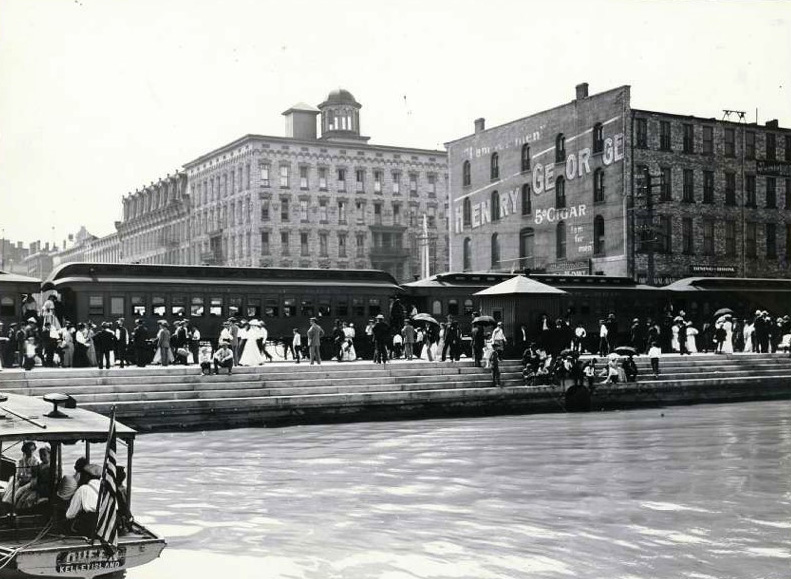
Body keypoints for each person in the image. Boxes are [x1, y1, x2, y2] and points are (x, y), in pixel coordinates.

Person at [65, 463, 102, 536]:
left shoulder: (83, 489)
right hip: (107, 526)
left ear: (87, 476)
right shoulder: (107, 488)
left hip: (91, 526)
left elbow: (70, 514)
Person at [1, 441, 40, 510]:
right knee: (12, 489)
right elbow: (19, 473)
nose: (30, 452)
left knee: (19, 491)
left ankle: (15, 508)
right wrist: (20, 479)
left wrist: (26, 479)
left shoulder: (36, 461)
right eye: (28, 450)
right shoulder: (21, 461)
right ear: (25, 451)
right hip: (21, 479)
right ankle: (7, 505)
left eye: (32, 450)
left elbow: (34, 475)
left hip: (31, 481)